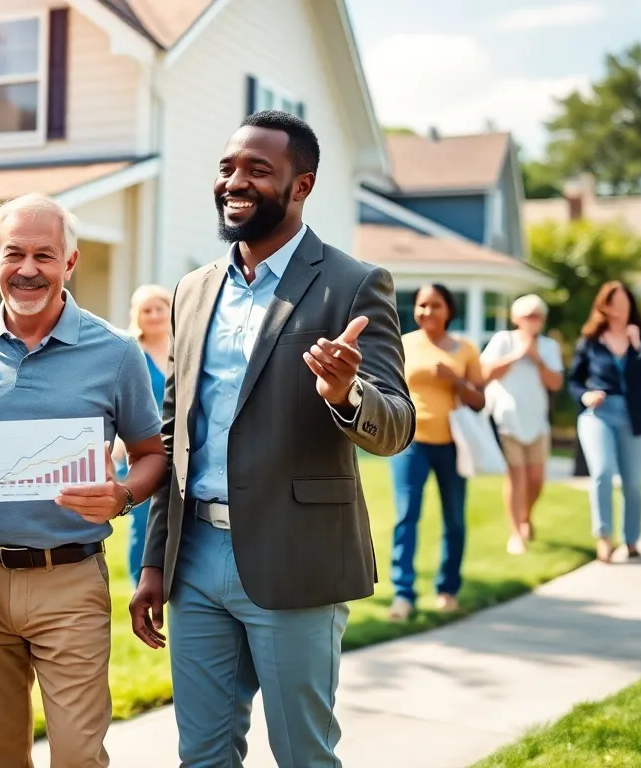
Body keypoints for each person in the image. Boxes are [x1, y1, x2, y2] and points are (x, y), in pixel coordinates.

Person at [128, 110, 415, 768]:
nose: (236, 180)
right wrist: (152, 562)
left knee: (303, 756)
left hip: (297, 561)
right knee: (201, 755)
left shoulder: (352, 283)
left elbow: (397, 423)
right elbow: (176, 435)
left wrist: (347, 394)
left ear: (301, 185)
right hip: (194, 563)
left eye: (259, 170)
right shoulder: (194, 291)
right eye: (228, 167)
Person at [0, 193, 166, 767]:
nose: (29, 269)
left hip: (70, 578)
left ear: (71, 263)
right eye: (15, 253)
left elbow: (151, 453)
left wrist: (122, 494)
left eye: (45, 254)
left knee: (79, 756)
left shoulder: (115, 352)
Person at [389, 283, 486, 621]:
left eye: (436, 306)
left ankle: (447, 590)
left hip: (453, 446)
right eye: (422, 305)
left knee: (455, 520)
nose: (427, 312)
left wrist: (455, 380)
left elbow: (479, 401)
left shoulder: (466, 349)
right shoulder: (402, 344)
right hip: (410, 444)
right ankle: (403, 595)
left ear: (449, 310)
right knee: (406, 517)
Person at [568, 280, 641, 563]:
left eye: (625, 303)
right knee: (602, 472)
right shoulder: (590, 340)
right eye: (614, 303)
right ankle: (604, 537)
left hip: (635, 415)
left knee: (633, 482)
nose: (620, 309)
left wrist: (637, 345)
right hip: (599, 414)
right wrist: (584, 395)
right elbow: (573, 381)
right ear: (604, 306)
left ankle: (631, 540)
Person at [481, 294, 564, 555]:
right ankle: (516, 533)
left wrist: (537, 358)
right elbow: (485, 374)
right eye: (528, 315)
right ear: (516, 318)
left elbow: (555, 383)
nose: (533, 321)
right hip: (507, 420)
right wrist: (517, 355)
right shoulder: (502, 341)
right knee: (516, 478)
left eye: (537, 316)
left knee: (536, 478)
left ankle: (526, 515)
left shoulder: (549, 346)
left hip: (536, 422)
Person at [113, 284, 173, 586]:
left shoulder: (183, 347)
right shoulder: (129, 352)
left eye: (158, 308)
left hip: (182, 449)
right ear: (137, 315)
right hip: (140, 449)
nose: (153, 315)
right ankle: (141, 587)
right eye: (146, 310)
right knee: (143, 523)